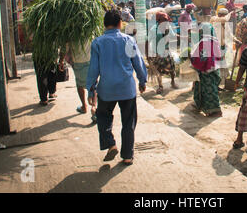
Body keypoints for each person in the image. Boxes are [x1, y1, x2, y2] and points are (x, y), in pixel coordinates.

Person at [86, 9, 147, 166]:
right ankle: (127, 156)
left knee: (103, 117)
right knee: (129, 122)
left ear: (104, 24)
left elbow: (93, 69)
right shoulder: (128, 40)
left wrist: (91, 88)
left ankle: (111, 143)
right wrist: (142, 80)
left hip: (106, 89)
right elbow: (138, 63)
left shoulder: (97, 42)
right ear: (120, 23)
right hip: (127, 88)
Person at [190, 23, 223, 117]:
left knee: (208, 90)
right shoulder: (215, 41)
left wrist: (192, 58)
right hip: (214, 68)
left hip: (205, 70)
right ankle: (202, 106)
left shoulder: (203, 42)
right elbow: (218, 55)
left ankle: (215, 111)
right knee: (210, 89)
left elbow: (201, 57)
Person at [147, 12, 179, 94]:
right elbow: (148, 41)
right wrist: (147, 55)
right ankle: (160, 86)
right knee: (158, 70)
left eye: (166, 20)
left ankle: (172, 82)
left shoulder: (168, 27)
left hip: (166, 51)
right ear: (158, 21)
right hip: (156, 52)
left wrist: (185, 37)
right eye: (163, 20)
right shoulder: (154, 30)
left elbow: (174, 35)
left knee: (171, 68)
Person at [210, 8, 237, 90]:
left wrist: (236, 40)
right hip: (213, 47)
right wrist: (230, 13)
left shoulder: (225, 23)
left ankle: (220, 84)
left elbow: (229, 34)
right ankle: (214, 85)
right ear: (220, 15)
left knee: (222, 66)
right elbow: (224, 19)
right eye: (224, 15)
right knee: (216, 67)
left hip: (222, 47)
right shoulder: (214, 19)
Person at [66, 41, 93, 119]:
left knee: (79, 84)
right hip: (90, 60)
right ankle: (94, 107)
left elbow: (66, 47)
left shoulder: (71, 34)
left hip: (78, 61)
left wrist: (62, 60)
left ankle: (85, 106)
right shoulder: (90, 31)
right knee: (93, 84)